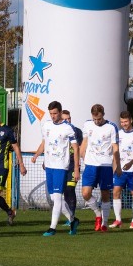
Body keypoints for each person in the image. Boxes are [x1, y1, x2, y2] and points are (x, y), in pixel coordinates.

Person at [31, 101, 80, 236]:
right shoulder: (46, 125)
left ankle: (52, 228)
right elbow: (44, 143)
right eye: (51, 113)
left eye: (55, 113)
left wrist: (76, 168)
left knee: (58, 197)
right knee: (54, 198)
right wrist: (36, 155)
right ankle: (73, 220)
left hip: (61, 166)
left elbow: (76, 148)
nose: (53, 116)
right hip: (49, 166)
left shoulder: (68, 128)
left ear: (60, 112)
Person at [79, 104, 121, 231]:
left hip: (105, 165)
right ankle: (98, 214)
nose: (96, 121)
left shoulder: (111, 127)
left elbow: (115, 147)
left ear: (103, 114)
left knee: (105, 194)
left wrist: (117, 165)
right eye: (94, 119)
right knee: (85, 193)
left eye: (99, 119)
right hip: (90, 164)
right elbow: (85, 141)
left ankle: (104, 223)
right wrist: (81, 156)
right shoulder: (87, 124)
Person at [111, 111, 133, 229]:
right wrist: (116, 167)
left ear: (131, 120)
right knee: (116, 192)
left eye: (126, 121)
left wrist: (131, 162)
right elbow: (115, 151)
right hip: (120, 169)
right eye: (121, 122)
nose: (124, 124)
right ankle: (118, 220)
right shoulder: (117, 134)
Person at [60, 110, 84, 223]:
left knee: (70, 189)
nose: (67, 121)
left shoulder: (77, 131)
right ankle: (70, 217)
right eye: (65, 119)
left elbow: (80, 148)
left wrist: (78, 164)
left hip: (74, 165)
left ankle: (72, 216)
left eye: (69, 118)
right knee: (65, 191)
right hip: (62, 165)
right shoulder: (58, 130)